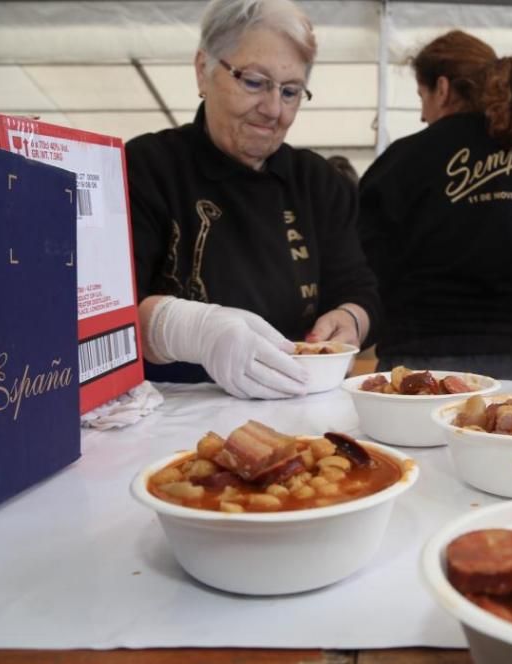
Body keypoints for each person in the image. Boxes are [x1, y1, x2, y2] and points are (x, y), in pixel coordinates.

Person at [126, 0, 380, 399]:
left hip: (298, 407)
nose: (273, 110)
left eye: (291, 91)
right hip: (171, 409)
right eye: (254, 82)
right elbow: (103, 315)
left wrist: (350, 318)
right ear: (202, 71)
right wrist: (190, 330)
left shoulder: (319, 182)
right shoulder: (146, 168)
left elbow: (359, 287)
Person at [357, 30, 512, 380]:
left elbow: (366, 265)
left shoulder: (401, 162)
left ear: (442, 89)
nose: (422, 115)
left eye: (421, 97)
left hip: (418, 364)